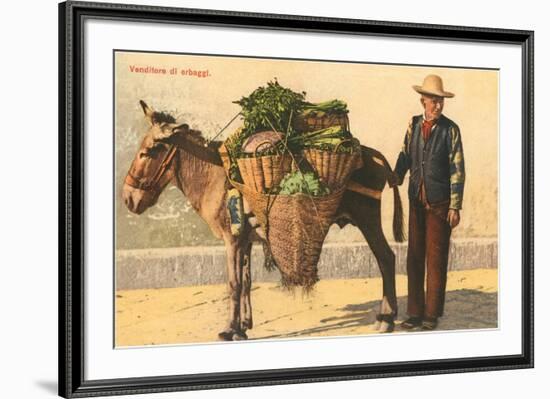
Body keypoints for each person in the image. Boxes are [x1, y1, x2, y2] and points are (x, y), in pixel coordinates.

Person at [390, 74, 465, 331]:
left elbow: (457, 170)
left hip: (441, 203)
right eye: (434, 101)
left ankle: (431, 315)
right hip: (416, 201)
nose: (438, 106)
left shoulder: (451, 130)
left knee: (436, 259)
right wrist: (397, 176)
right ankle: (414, 313)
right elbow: (404, 155)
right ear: (423, 101)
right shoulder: (412, 125)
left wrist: (455, 206)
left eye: (441, 101)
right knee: (414, 258)